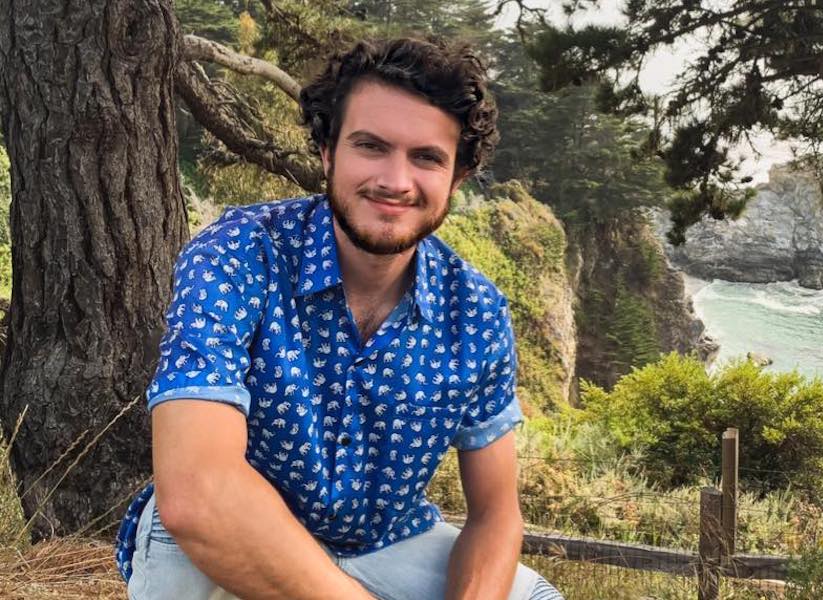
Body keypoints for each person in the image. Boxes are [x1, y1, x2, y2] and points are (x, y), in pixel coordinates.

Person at [114, 37, 563, 600]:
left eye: (426, 157)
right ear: (328, 151)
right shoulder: (238, 254)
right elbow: (198, 495)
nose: (395, 181)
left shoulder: (475, 311)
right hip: (228, 529)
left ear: (458, 177)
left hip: (381, 542)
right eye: (371, 146)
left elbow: (495, 517)